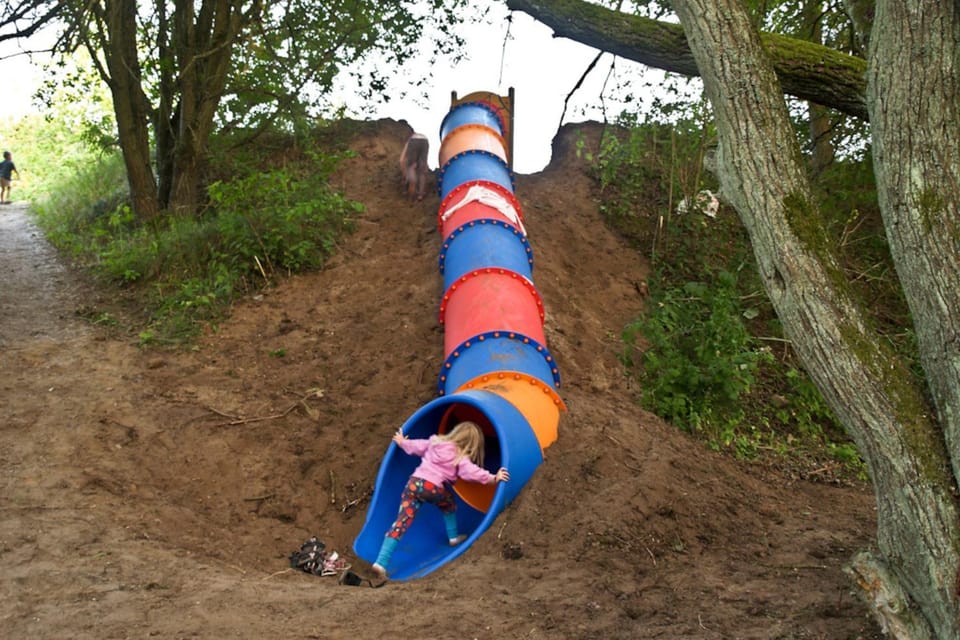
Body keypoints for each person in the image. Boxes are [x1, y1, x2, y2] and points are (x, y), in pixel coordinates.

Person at [372, 421, 510, 578]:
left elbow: (415, 446)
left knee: (401, 522)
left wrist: (402, 441)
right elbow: (473, 473)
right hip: (432, 487)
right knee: (448, 504)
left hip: (413, 484)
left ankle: (380, 562)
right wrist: (493, 478)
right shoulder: (461, 456)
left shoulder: (435, 442)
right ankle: (453, 537)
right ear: (473, 444)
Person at [399, 132, 430, 201]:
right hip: (425, 140)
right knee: (422, 169)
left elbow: (401, 160)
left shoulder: (409, 142)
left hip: (414, 140)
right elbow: (424, 166)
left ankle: (411, 197)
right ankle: (420, 195)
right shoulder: (417, 140)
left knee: (410, 167)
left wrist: (405, 174)